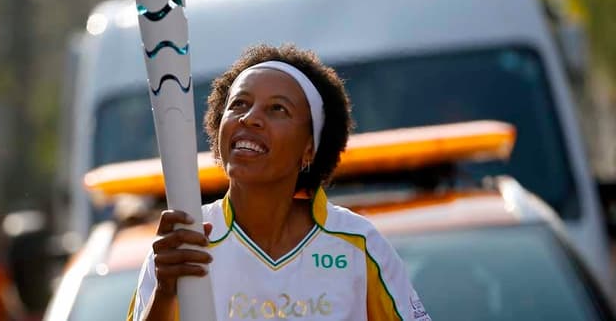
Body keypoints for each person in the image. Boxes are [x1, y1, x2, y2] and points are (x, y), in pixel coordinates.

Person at [128, 44, 431, 321]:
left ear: (310, 148)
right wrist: (165, 292)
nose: (250, 118)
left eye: (277, 109)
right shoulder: (185, 244)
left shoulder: (357, 243)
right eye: (239, 104)